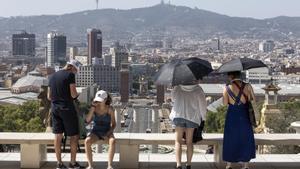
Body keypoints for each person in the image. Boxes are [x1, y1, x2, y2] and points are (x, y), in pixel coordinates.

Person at [48, 59, 83, 169]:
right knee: (74, 135)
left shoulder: (52, 76)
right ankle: (72, 163)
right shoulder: (70, 75)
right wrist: (77, 95)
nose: (75, 73)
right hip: (67, 108)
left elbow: (49, 96)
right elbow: (73, 94)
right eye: (76, 70)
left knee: (58, 135)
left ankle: (59, 163)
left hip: (54, 108)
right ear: (72, 67)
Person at [222, 71, 256, 169]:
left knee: (231, 138)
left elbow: (224, 103)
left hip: (232, 115)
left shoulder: (226, 88)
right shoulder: (248, 86)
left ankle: (229, 164)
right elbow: (253, 100)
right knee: (245, 137)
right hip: (244, 114)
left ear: (231, 76)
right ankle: (245, 165)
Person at [170, 81, 207, 169]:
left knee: (178, 141)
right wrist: (203, 117)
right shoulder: (198, 89)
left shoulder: (177, 87)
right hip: (192, 117)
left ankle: (178, 165)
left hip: (178, 115)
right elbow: (203, 105)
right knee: (189, 142)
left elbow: (173, 99)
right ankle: (188, 164)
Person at [85, 90, 116, 169]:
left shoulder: (110, 109)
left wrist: (108, 133)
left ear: (105, 100)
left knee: (112, 141)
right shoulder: (94, 108)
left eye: (100, 100)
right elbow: (87, 120)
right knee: (87, 141)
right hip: (96, 132)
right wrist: (92, 107)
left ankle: (109, 165)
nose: (98, 101)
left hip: (107, 131)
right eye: (97, 100)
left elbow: (113, 124)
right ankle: (90, 166)